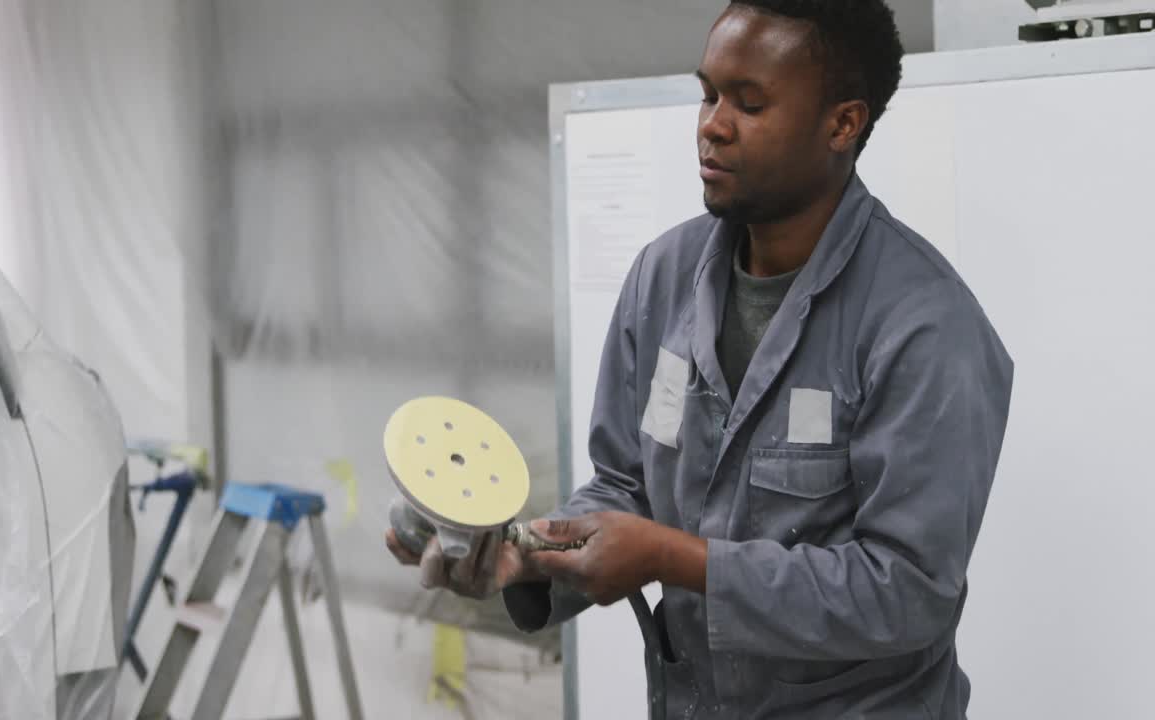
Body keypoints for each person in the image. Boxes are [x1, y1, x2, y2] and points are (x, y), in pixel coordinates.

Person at [387, 1, 1013, 717]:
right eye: (709, 93)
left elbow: (906, 592)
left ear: (843, 123)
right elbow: (624, 485)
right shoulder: (664, 277)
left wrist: (672, 559)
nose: (712, 125)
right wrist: (522, 557)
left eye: (749, 103)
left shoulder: (924, 325)